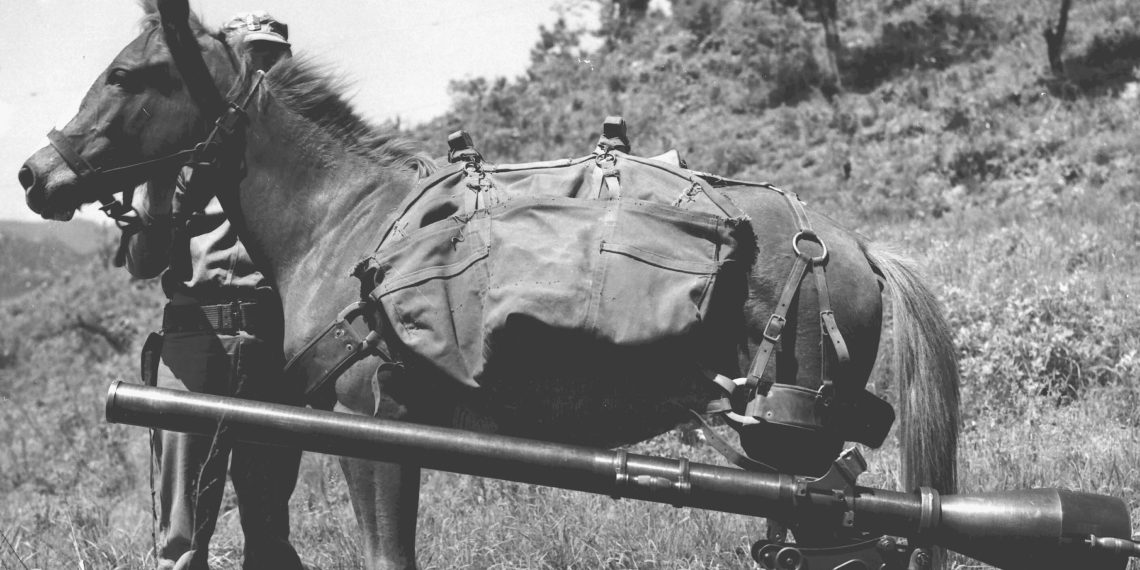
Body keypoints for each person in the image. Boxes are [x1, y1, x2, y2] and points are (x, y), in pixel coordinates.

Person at [123, 12, 304, 570]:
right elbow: (142, 262)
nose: (260, 69)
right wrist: (158, 192)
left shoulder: (301, 158)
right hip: (195, 336)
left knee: (269, 529)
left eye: (271, 58)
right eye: (249, 56)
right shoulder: (172, 151)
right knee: (180, 540)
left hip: (272, 337)